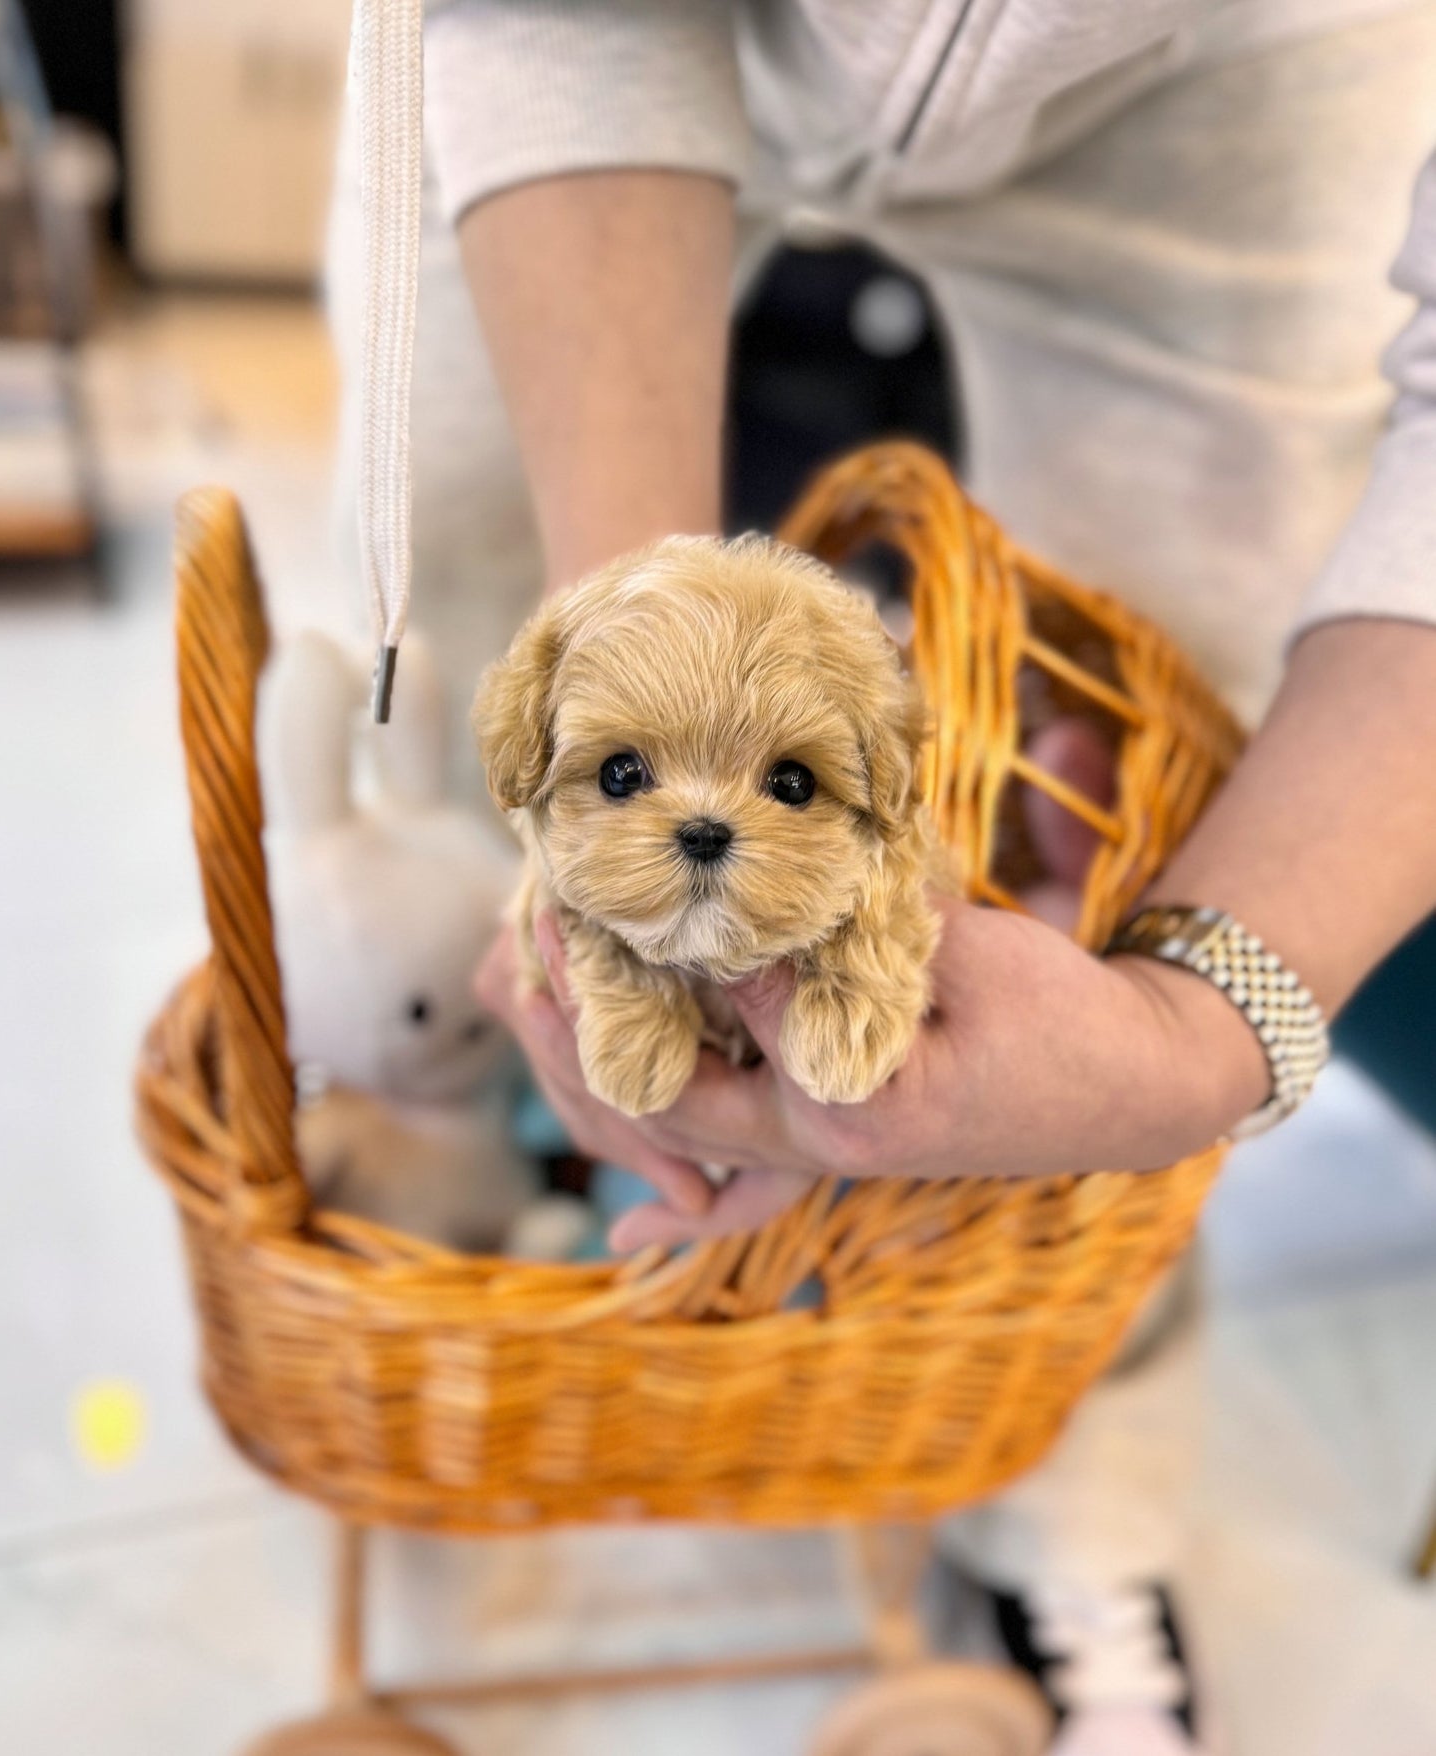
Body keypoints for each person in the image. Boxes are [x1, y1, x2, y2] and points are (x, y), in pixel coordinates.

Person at [325, 5, 1436, 1750]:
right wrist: (638, 736)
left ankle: (1071, 1496)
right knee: (465, 591)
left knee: (1151, 770)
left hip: (1250, 77)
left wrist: (1202, 1030)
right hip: (562, 34)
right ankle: (492, 1187)